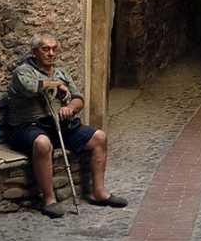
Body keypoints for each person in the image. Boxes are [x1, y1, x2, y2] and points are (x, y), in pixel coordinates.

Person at [7, 33, 127, 219]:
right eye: (45, 49)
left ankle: (99, 191)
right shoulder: (23, 72)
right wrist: (56, 84)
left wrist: (71, 107)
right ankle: (49, 200)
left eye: (54, 49)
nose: (51, 53)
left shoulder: (61, 72)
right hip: (28, 125)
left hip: (59, 125)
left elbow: (78, 98)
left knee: (99, 137)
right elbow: (30, 87)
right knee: (42, 143)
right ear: (34, 52)